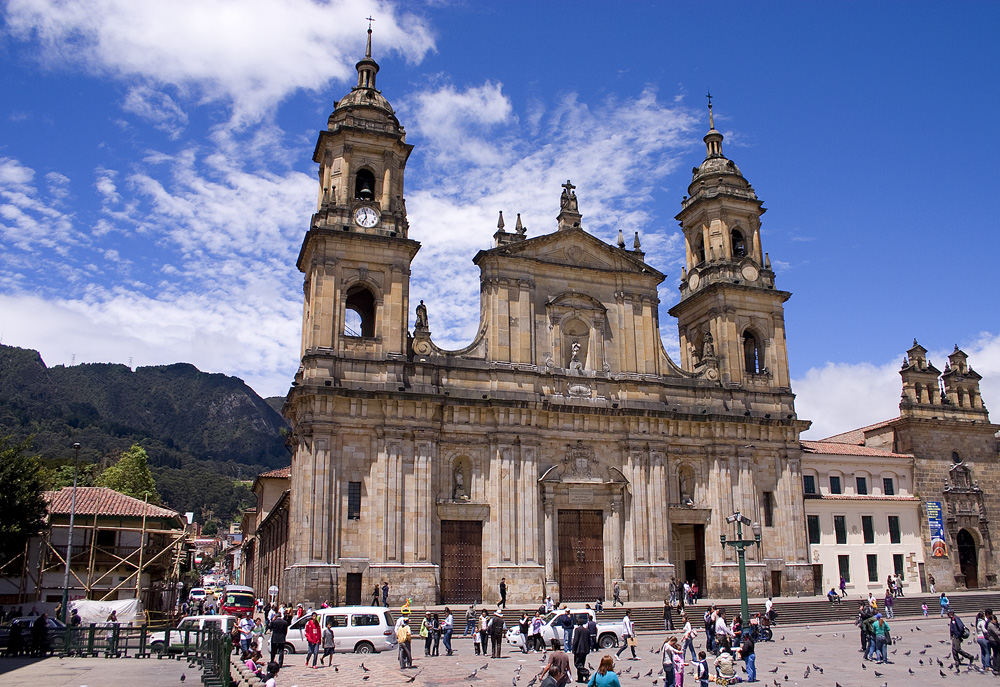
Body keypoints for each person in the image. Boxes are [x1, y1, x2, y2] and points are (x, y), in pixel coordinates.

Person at [572, 617, 591, 683]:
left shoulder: (577, 630)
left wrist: (573, 648)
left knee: (577, 664)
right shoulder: (587, 630)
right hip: (585, 650)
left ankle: (586, 673)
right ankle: (580, 678)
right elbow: (589, 641)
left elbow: (576, 640)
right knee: (581, 663)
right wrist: (589, 649)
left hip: (579, 649)